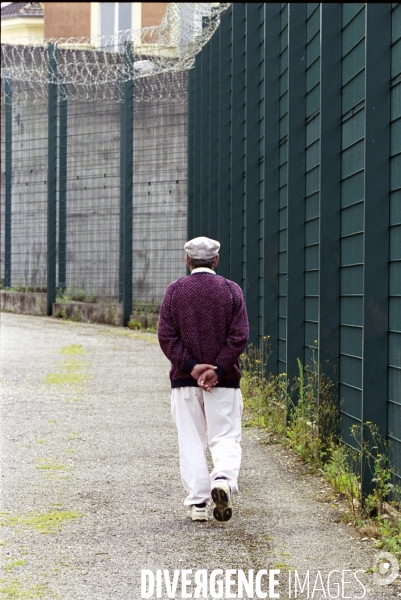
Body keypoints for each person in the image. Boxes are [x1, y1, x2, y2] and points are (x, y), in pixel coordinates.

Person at [158, 236, 249, 522]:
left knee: (191, 439)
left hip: (185, 382)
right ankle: (222, 478)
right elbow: (239, 337)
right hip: (224, 381)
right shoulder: (231, 291)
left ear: (187, 260)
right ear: (216, 260)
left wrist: (192, 367)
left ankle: (198, 504)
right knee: (225, 437)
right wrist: (217, 369)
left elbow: (166, 336)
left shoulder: (174, 292)